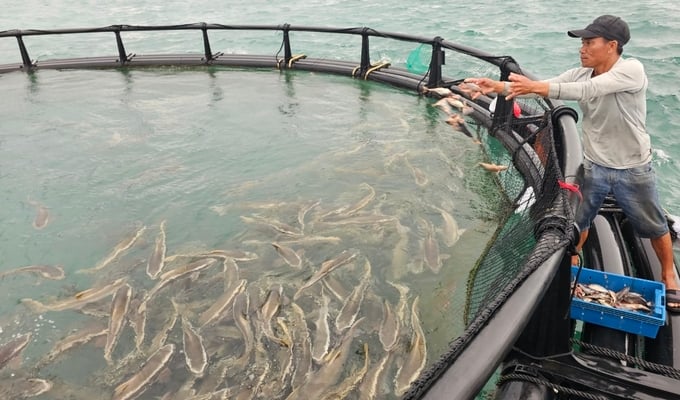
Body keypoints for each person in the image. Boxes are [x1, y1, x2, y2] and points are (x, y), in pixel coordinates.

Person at [465, 15, 680, 312]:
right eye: (582, 42)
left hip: (633, 166)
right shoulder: (582, 73)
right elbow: (547, 85)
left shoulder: (631, 70)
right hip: (594, 164)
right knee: (580, 220)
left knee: (654, 225)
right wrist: (496, 86)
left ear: (612, 45)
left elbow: (584, 92)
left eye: (589, 42)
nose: (582, 48)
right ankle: (574, 264)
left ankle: (669, 275)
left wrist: (535, 88)